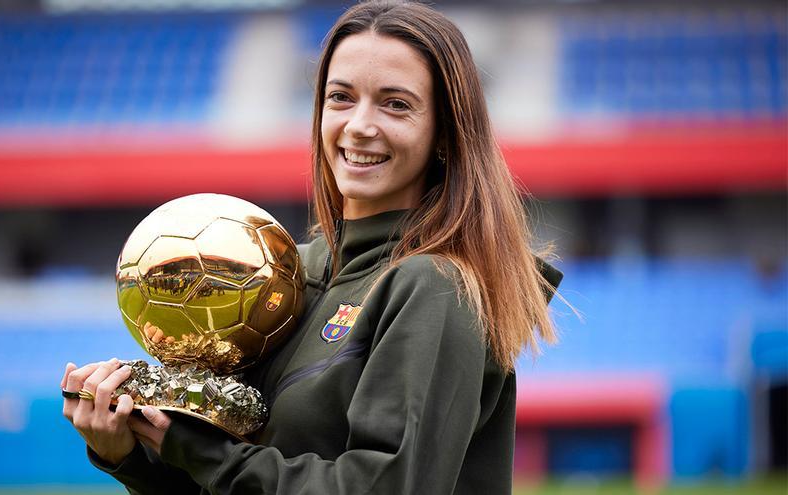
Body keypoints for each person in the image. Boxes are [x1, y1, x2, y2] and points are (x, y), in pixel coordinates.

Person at [61, 1, 563, 493]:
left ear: (445, 134)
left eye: (396, 104)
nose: (360, 125)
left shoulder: (434, 287)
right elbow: (227, 477)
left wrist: (204, 452)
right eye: (341, 97)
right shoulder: (291, 271)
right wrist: (131, 456)